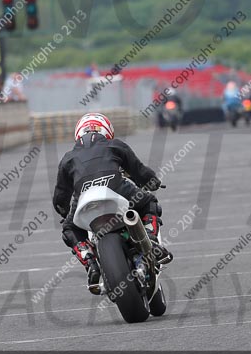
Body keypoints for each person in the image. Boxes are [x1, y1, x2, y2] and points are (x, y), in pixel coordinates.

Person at [52, 113, 171, 289]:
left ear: (78, 133)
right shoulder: (115, 145)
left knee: (70, 228)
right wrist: (153, 182)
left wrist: (63, 211)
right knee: (149, 203)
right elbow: (139, 171)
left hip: (84, 199)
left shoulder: (68, 158)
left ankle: (89, 260)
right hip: (116, 188)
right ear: (106, 130)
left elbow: (61, 195)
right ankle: (152, 241)